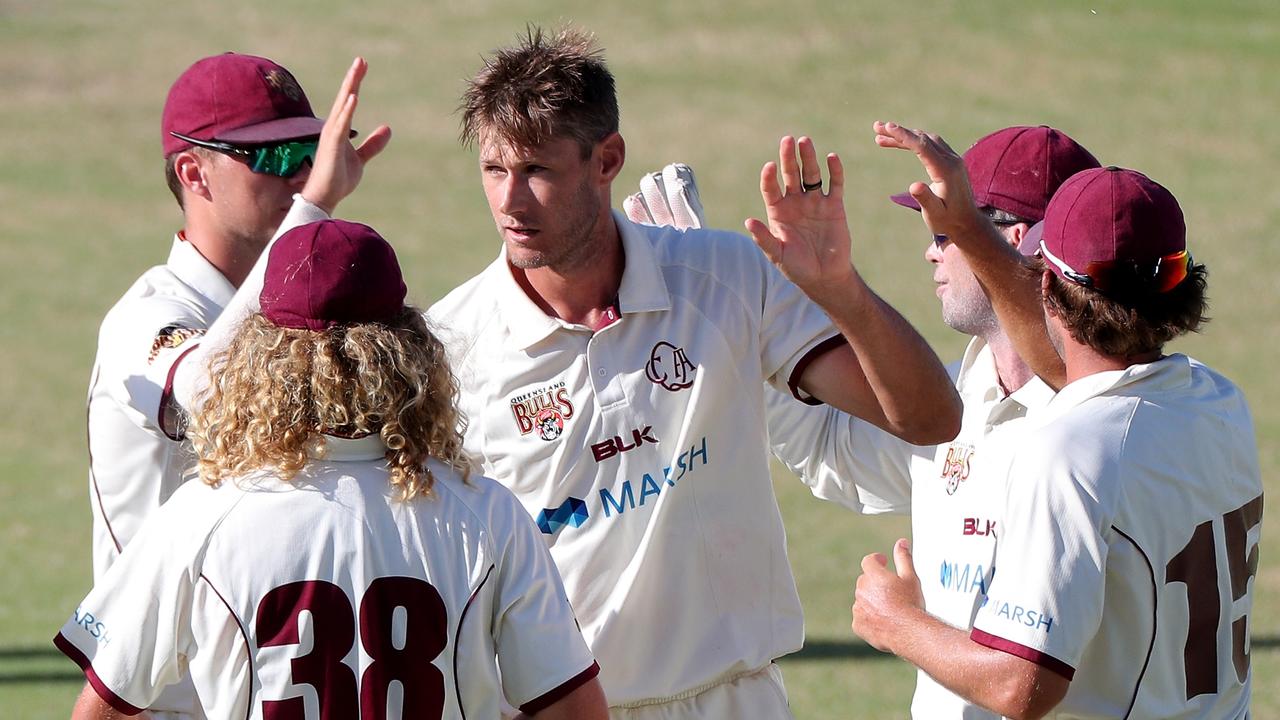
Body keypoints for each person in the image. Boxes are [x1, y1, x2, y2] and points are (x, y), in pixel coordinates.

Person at [428, 26, 960, 717]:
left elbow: (930, 419)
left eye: (538, 171)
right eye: (494, 170)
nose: (510, 202)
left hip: (735, 699)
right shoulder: (449, 345)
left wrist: (840, 287)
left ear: (607, 159)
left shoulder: (725, 276)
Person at [629, 127, 1101, 719]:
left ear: (1015, 241)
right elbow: (832, 448)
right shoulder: (958, 392)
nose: (930, 251)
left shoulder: (1094, 422)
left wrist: (902, 625)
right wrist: (731, 322)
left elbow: (1023, 685)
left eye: (943, 230)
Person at [56, 217, 608, 720]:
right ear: (410, 348)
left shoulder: (201, 518)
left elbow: (104, 708)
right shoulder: (487, 513)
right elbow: (574, 710)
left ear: (257, 356)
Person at [853, 125, 1263, 719]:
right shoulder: (1219, 402)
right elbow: (1076, 368)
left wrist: (899, 624)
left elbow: (1021, 687)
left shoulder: (1067, 453)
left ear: (1046, 283)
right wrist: (969, 225)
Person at [80, 50, 384, 720]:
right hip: (161, 702)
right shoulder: (151, 318)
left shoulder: (298, 311)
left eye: (309, 151)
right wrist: (317, 206)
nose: (301, 174)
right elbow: (213, 393)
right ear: (194, 172)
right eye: (272, 159)